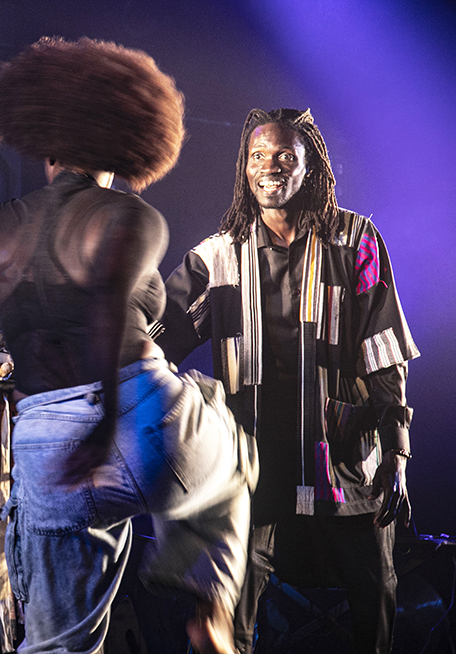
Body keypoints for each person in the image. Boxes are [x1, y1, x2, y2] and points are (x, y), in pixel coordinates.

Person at [0, 38, 256, 654]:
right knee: (233, 458)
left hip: (46, 441)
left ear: (43, 142)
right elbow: (104, 297)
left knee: (57, 645)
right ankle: (211, 607)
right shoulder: (132, 216)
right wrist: (103, 425)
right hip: (142, 415)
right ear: (126, 142)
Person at [155, 108, 419, 653]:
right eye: (258, 156)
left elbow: (383, 348)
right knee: (228, 620)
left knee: (375, 606)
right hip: (252, 471)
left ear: (310, 167)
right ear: (244, 169)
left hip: (345, 464)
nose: (270, 167)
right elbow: (156, 340)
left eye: (284, 157)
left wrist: (397, 449)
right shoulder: (218, 255)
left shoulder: (355, 241)